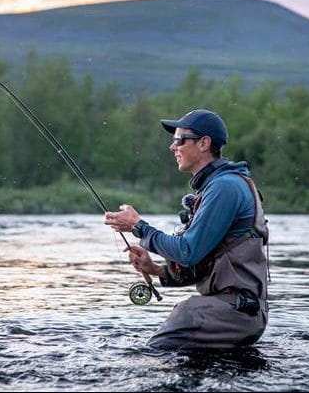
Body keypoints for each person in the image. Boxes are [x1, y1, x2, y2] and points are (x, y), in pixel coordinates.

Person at [104, 109, 269, 349]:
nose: (173, 147)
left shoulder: (225, 187)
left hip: (236, 313)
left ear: (204, 143)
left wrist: (139, 227)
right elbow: (200, 261)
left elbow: (187, 251)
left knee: (157, 347)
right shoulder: (217, 186)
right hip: (232, 310)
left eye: (180, 140)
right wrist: (156, 269)